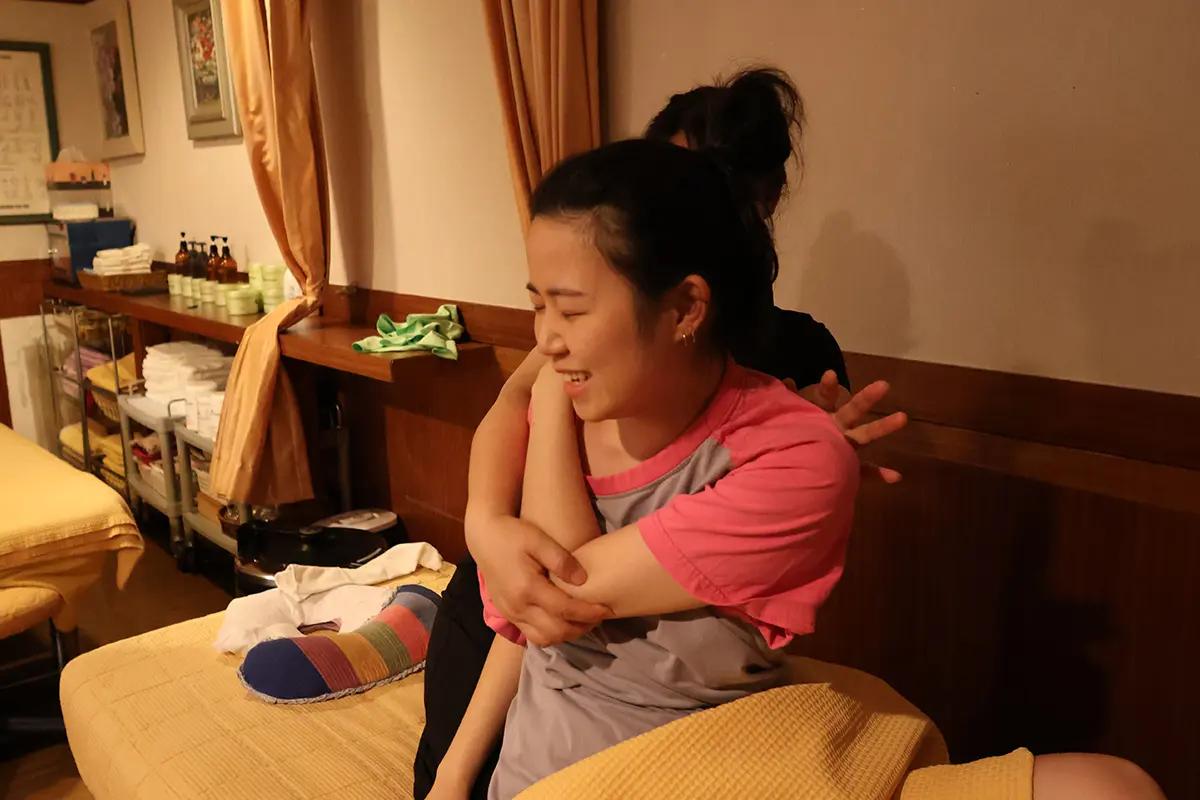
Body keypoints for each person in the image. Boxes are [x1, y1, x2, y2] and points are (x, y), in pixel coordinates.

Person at [412, 68, 906, 799]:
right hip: (526, 718)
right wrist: (485, 523)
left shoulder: (765, 398)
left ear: (685, 307)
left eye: (570, 310)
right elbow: (528, 600)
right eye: (539, 306)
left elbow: (558, 592)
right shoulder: (583, 379)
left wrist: (550, 395)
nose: (546, 337)